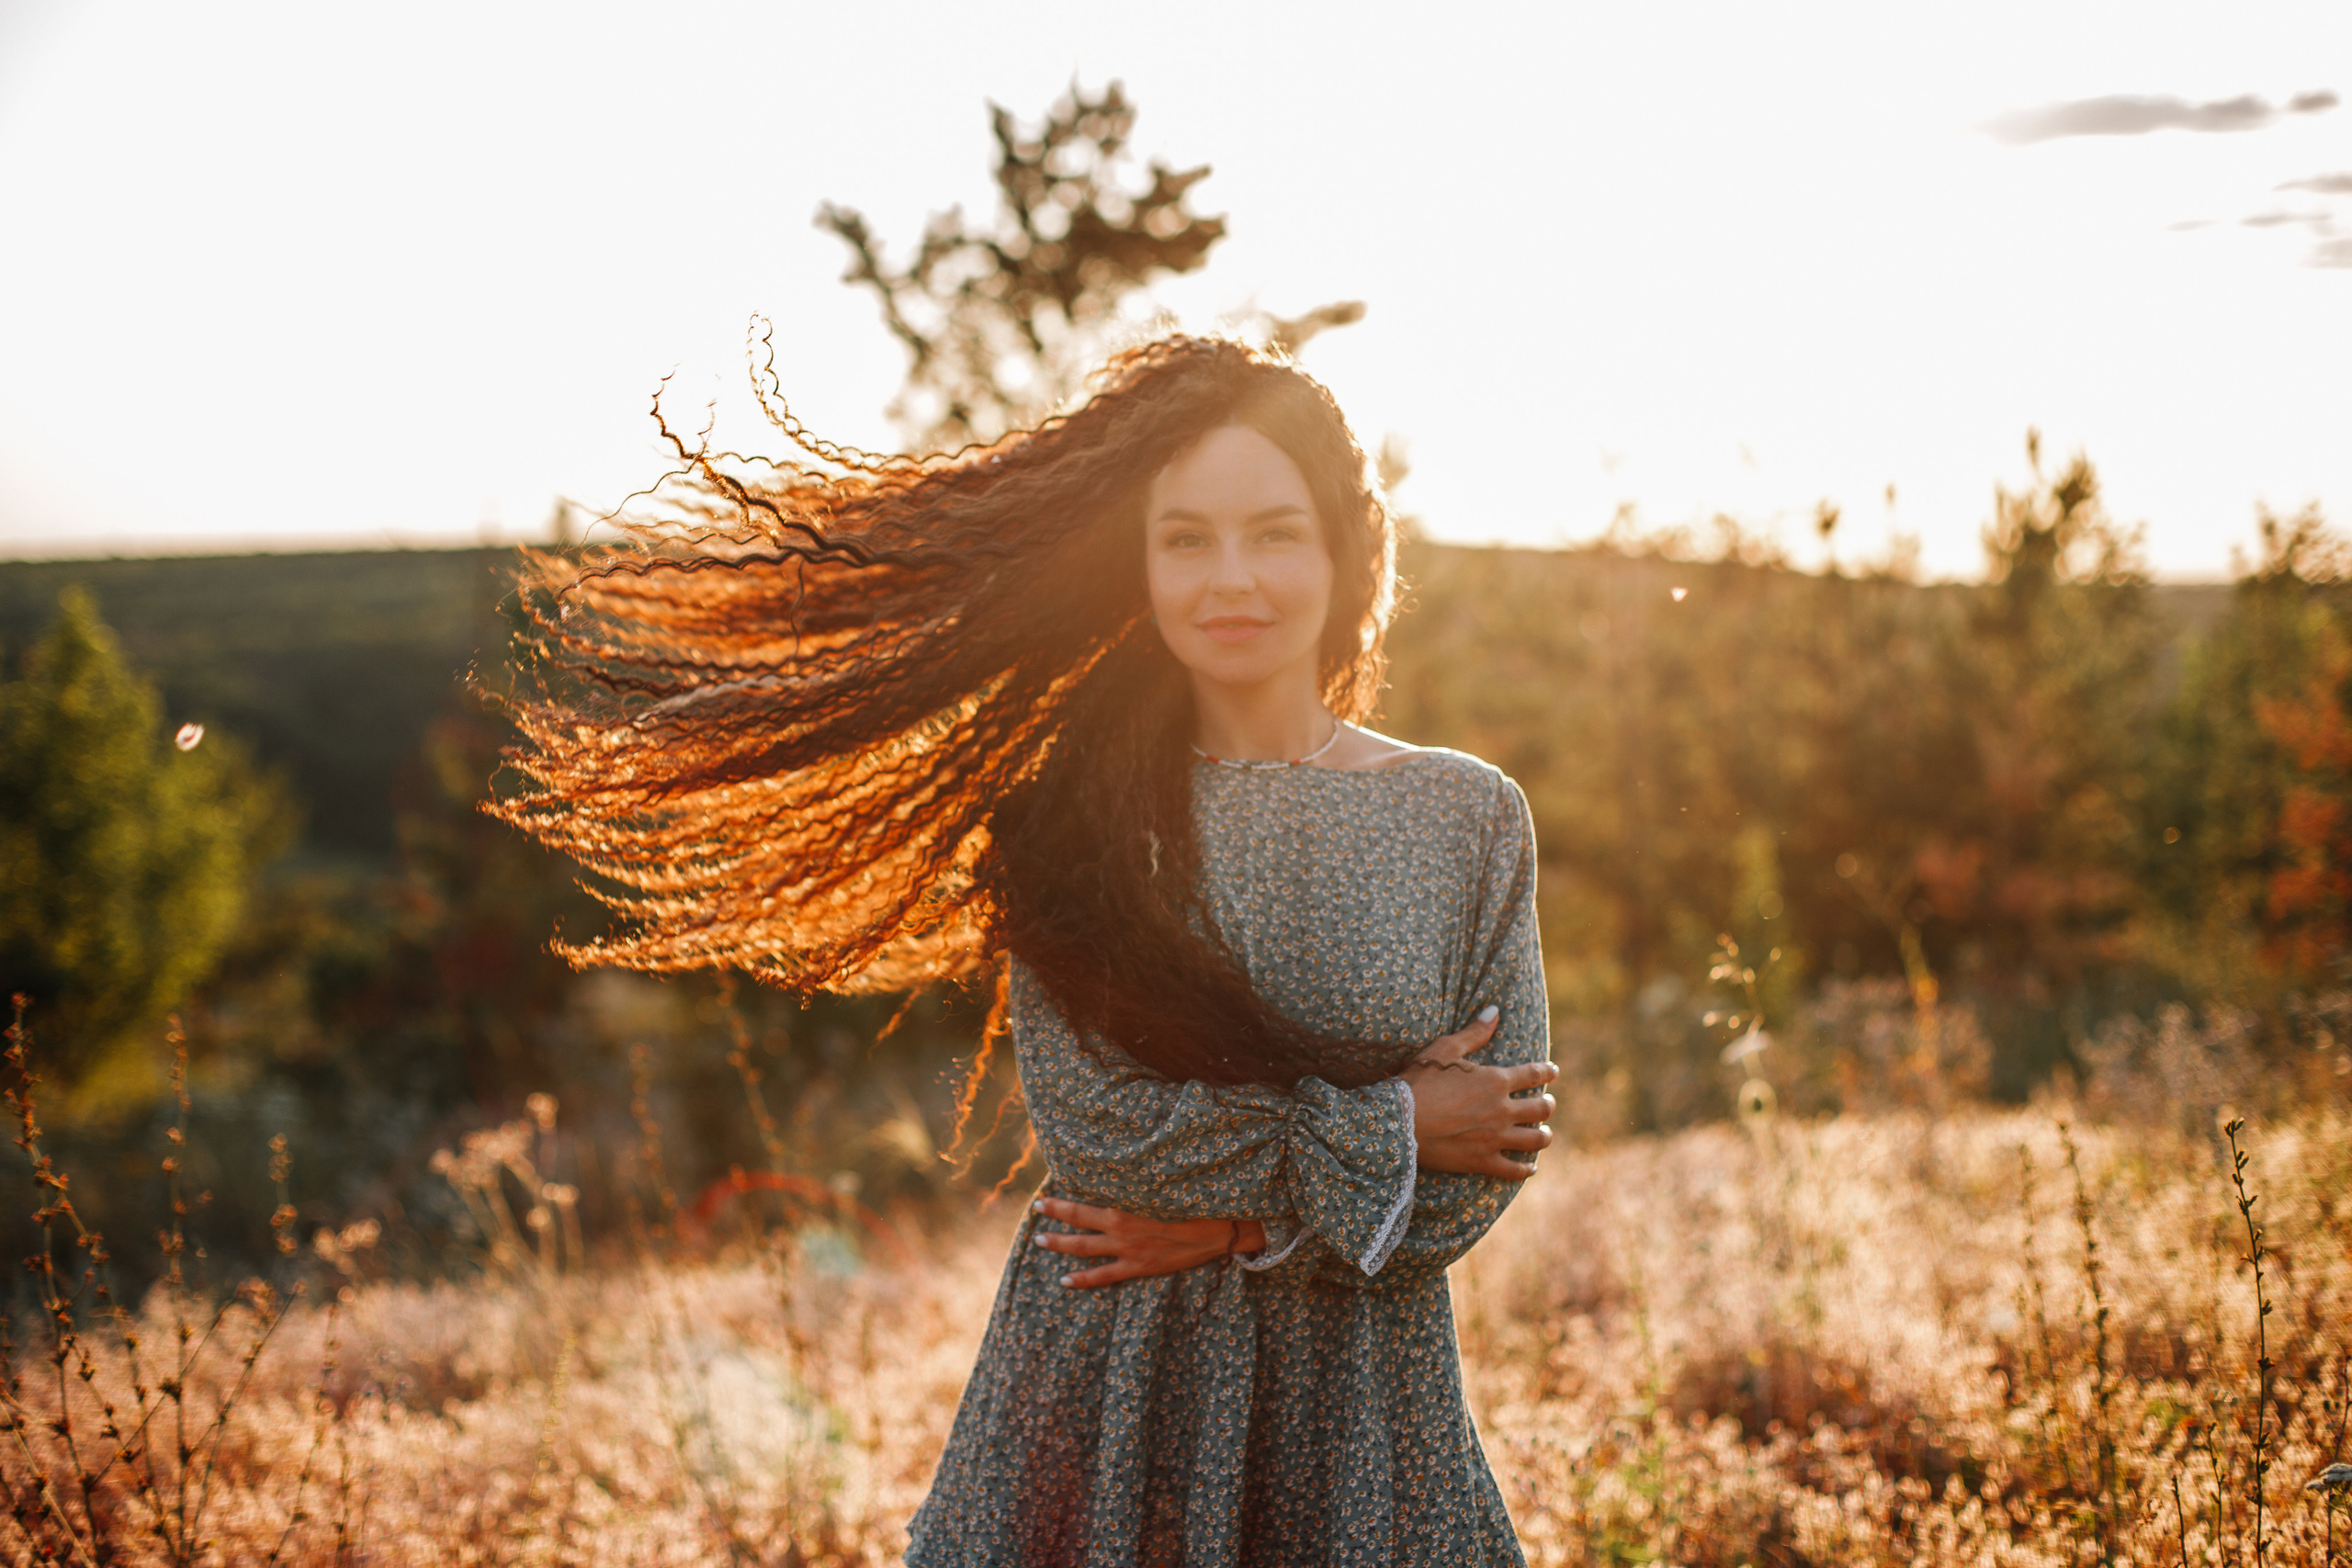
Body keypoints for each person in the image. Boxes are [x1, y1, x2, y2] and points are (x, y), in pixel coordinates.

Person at [493, 334, 1556, 1565]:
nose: (1232, 578)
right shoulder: (1071, 821)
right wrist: (1398, 1127)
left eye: (1275, 532)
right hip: (1112, 1384)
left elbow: (1490, 1163)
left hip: (1368, 1413)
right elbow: (1108, 1137)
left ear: (1344, 552)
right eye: (1185, 539)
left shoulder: (1467, 817)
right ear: (1139, 567)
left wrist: (1228, 1231)